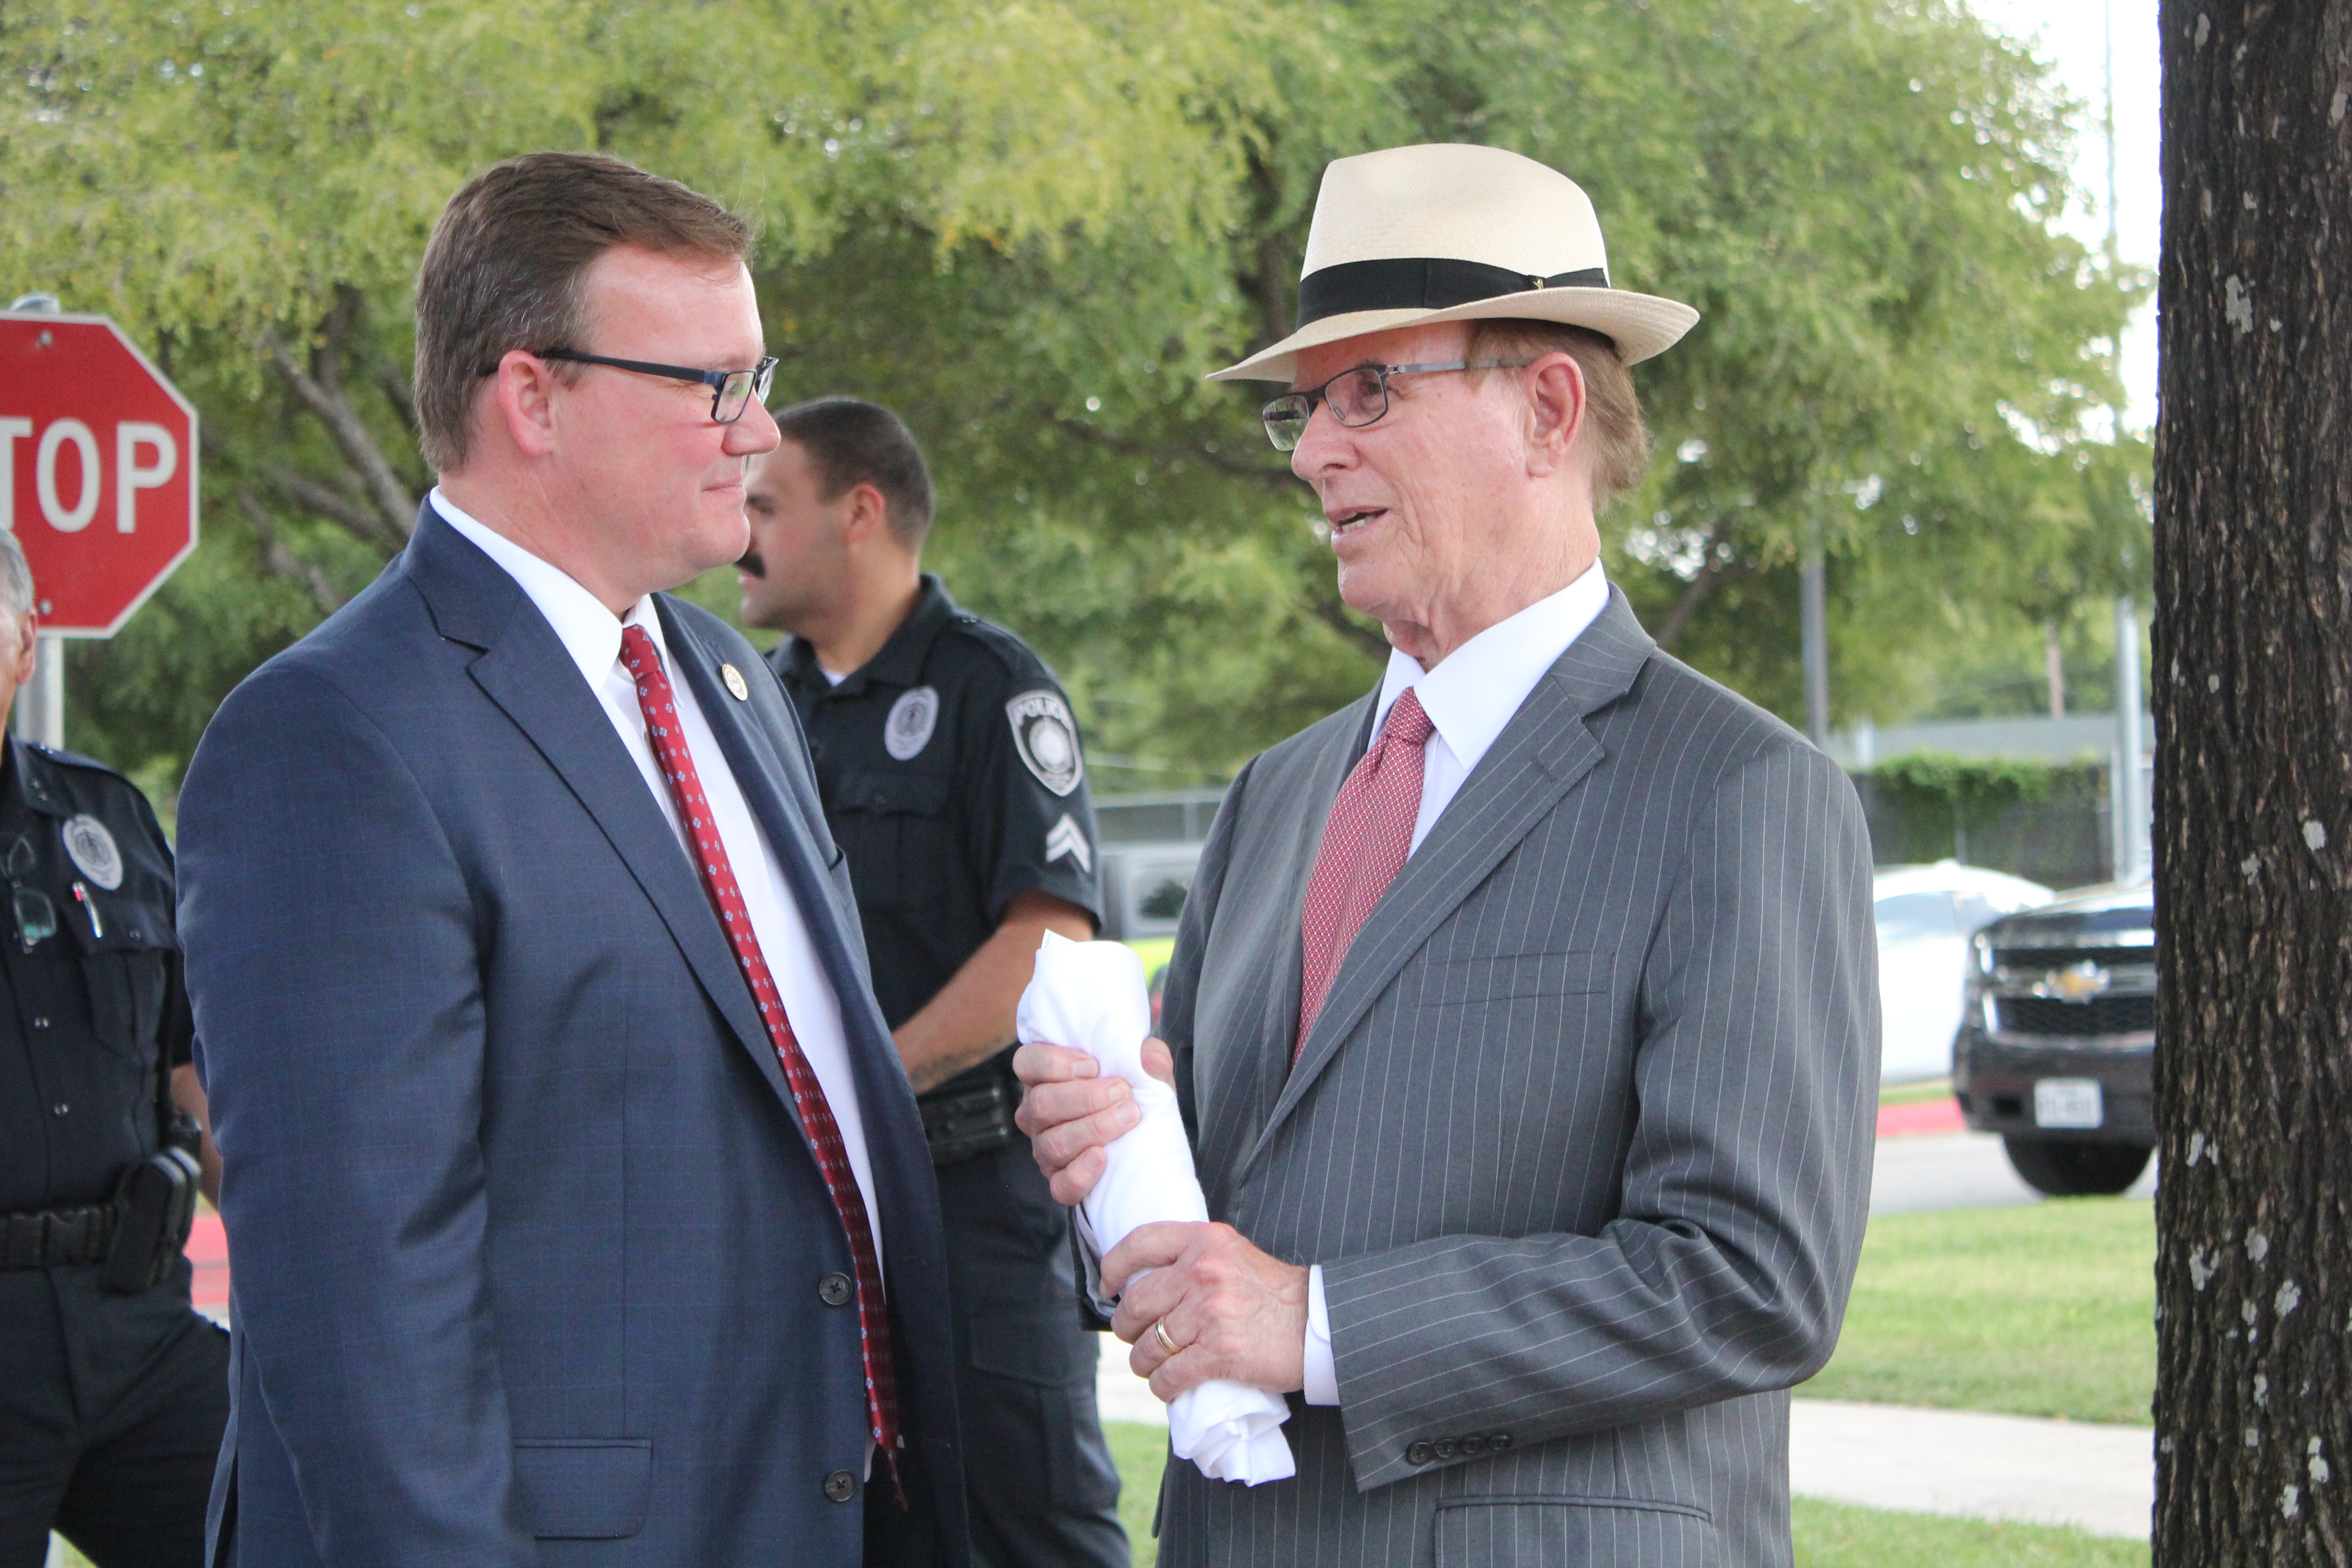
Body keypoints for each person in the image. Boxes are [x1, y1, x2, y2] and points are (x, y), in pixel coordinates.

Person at [1014, 142, 1880, 1566]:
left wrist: (1325, 1326)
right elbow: (1212, 1258)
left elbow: (1750, 1280)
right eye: (1304, 409)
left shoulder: (1737, 793)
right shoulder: (1277, 797)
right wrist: (1121, 1176)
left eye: (1370, 393)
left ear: (1548, 407)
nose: (1310, 451)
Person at [176, 153, 966, 1567]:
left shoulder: (725, 678)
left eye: (760, 374)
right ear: (531, 396)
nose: (761, 429)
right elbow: (362, 1309)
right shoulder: (333, 735)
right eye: (712, 385)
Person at [738, 398, 1127, 1568]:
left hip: (974, 1217)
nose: (737, 530)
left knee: (1027, 1531)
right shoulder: (748, 708)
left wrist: (862, 1085)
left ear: (859, 513)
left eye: (766, 504)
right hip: (805, 1225)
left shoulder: (992, 689)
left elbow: (1043, 945)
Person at [0, 529, 227, 1568]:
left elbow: (192, 1067)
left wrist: (294, 1270)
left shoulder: (107, 819)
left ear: (24, 640)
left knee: (284, 1526)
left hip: (134, 1317)